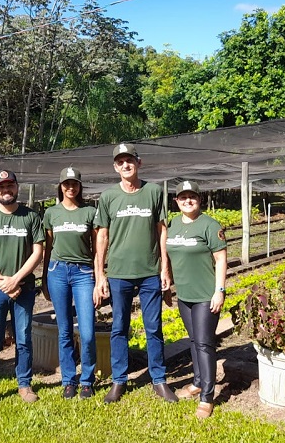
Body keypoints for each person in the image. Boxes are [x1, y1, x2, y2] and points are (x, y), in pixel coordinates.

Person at [94, 143, 178, 404]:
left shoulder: (153, 191)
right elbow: (102, 236)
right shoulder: (108, 197)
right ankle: (119, 380)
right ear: (115, 167)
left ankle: (159, 379)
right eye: (120, 162)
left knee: (154, 327)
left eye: (130, 160)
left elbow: (162, 230)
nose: (125, 165)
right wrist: (100, 274)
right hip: (119, 272)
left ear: (138, 163)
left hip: (150, 271)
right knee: (119, 327)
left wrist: (165, 267)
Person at [0, 169, 45, 415]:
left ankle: (24, 385)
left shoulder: (31, 217)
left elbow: (37, 252)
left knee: (23, 339)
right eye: (1, 187)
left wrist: (16, 280)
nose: (6, 190)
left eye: (9, 186)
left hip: (23, 288)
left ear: (17, 187)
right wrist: (3, 281)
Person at [166, 181, 227, 418]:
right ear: (177, 201)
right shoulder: (172, 225)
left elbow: (221, 259)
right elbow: (168, 258)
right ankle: (198, 382)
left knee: (204, 343)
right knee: (193, 341)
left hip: (205, 294)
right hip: (185, 294)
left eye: (192, 197)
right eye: (183, 197)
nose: (187, 201)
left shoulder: (210, 225)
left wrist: (219, 290)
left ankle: (207, 397)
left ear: (199, 199)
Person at [42, 167, 98, 400]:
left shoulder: (90, 212)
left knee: (87, 331)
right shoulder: (51, 213)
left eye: (74, 183)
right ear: (61, 186)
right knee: (64, 330)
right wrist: (45, 278)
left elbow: (98, 248)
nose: (70, 187)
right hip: (57, 271)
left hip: (84, 273)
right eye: (66, 183)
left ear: (80, 186)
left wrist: (98, 277)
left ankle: (87, 380)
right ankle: (68, 380)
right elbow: (48, 248)